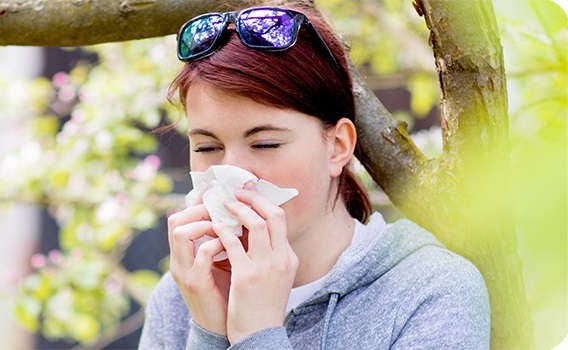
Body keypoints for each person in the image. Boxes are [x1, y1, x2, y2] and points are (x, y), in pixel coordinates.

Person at [138, 3, 490, 349]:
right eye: (206, 148)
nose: (234, 174)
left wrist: (257, 336)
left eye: (265, 144)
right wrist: (208, 334)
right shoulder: (183, 295)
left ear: (337, 146)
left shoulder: (430, 292)